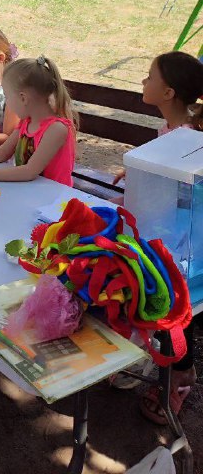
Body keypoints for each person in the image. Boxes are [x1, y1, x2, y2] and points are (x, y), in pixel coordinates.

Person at [112, 51, 203, 422]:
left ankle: (182, 373)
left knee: (178, 308)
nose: (143, 82)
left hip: (185, 242)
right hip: (160, 230)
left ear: (167, 92)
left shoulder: (192, 136)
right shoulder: (168, 130)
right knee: (151, 295)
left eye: (149, 77)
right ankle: (153, 355)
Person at [0, 56, 76, 186]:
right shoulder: (27, 122)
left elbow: (29, 171)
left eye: (7, 96)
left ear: (23, 98)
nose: (7, 102)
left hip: (55, 199)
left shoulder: (56, 129)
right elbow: (4, 151)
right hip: (30, 191)